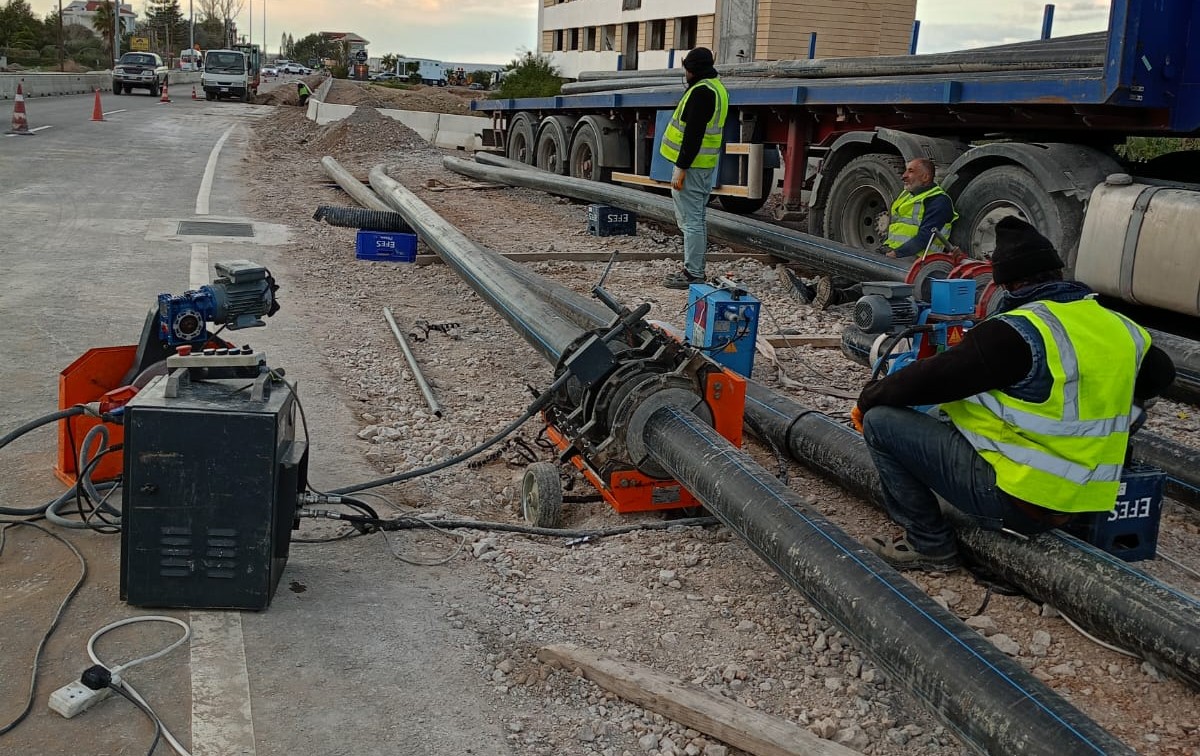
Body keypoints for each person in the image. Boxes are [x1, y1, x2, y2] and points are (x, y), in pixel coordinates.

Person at [852, 216, 1175, 572]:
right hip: (1090, 500)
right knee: (943, 415)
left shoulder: (1015, 333)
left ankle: (929, 543)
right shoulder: (1121, 328)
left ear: (1007, 284)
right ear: (1057, 274)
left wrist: (869, 399)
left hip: (1019, 502)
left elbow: (927, 379)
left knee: (882, 422)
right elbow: (1158, 378)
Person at [803, 157, 958, 309]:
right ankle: (811, 291)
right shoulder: (909, 195)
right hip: (894, 250)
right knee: (858, 267)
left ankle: (835, 296)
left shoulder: (938, 201)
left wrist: (897, 253)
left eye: (910, 171)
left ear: (925, 176)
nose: (904, 175)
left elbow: (926, 236)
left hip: (918, 259)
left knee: (874, 278)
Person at [660, 47, 728, 290]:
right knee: (694, 218)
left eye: (686, 68)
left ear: (692, 70)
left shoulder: (701, 93)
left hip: (693, 167)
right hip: (702, 165)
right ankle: (693, 270)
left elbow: (693, 134)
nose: (685, 72)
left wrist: (681, 166)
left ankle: (693, 273)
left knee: (692, 221)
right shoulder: (716, 88)